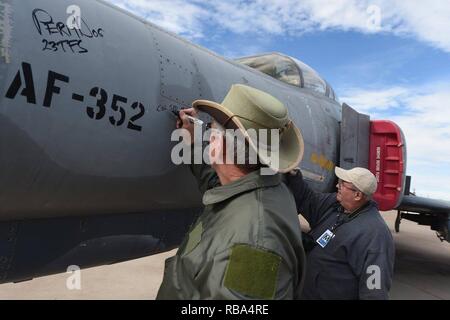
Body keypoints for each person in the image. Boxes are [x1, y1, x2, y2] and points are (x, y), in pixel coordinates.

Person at [156, 84, 306, 299]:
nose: (209, 134)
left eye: (211, 129)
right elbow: (216, 182)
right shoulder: (263, 186)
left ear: (218, 145)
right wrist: (193, 142)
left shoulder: (255, 242)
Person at [286, 166, 395, 300]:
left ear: (357, 195)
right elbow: (307, 199)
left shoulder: (375, 235)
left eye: (343, 184)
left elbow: (374, 293)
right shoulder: (335, 205)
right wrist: (293, 174)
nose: (337, 185)